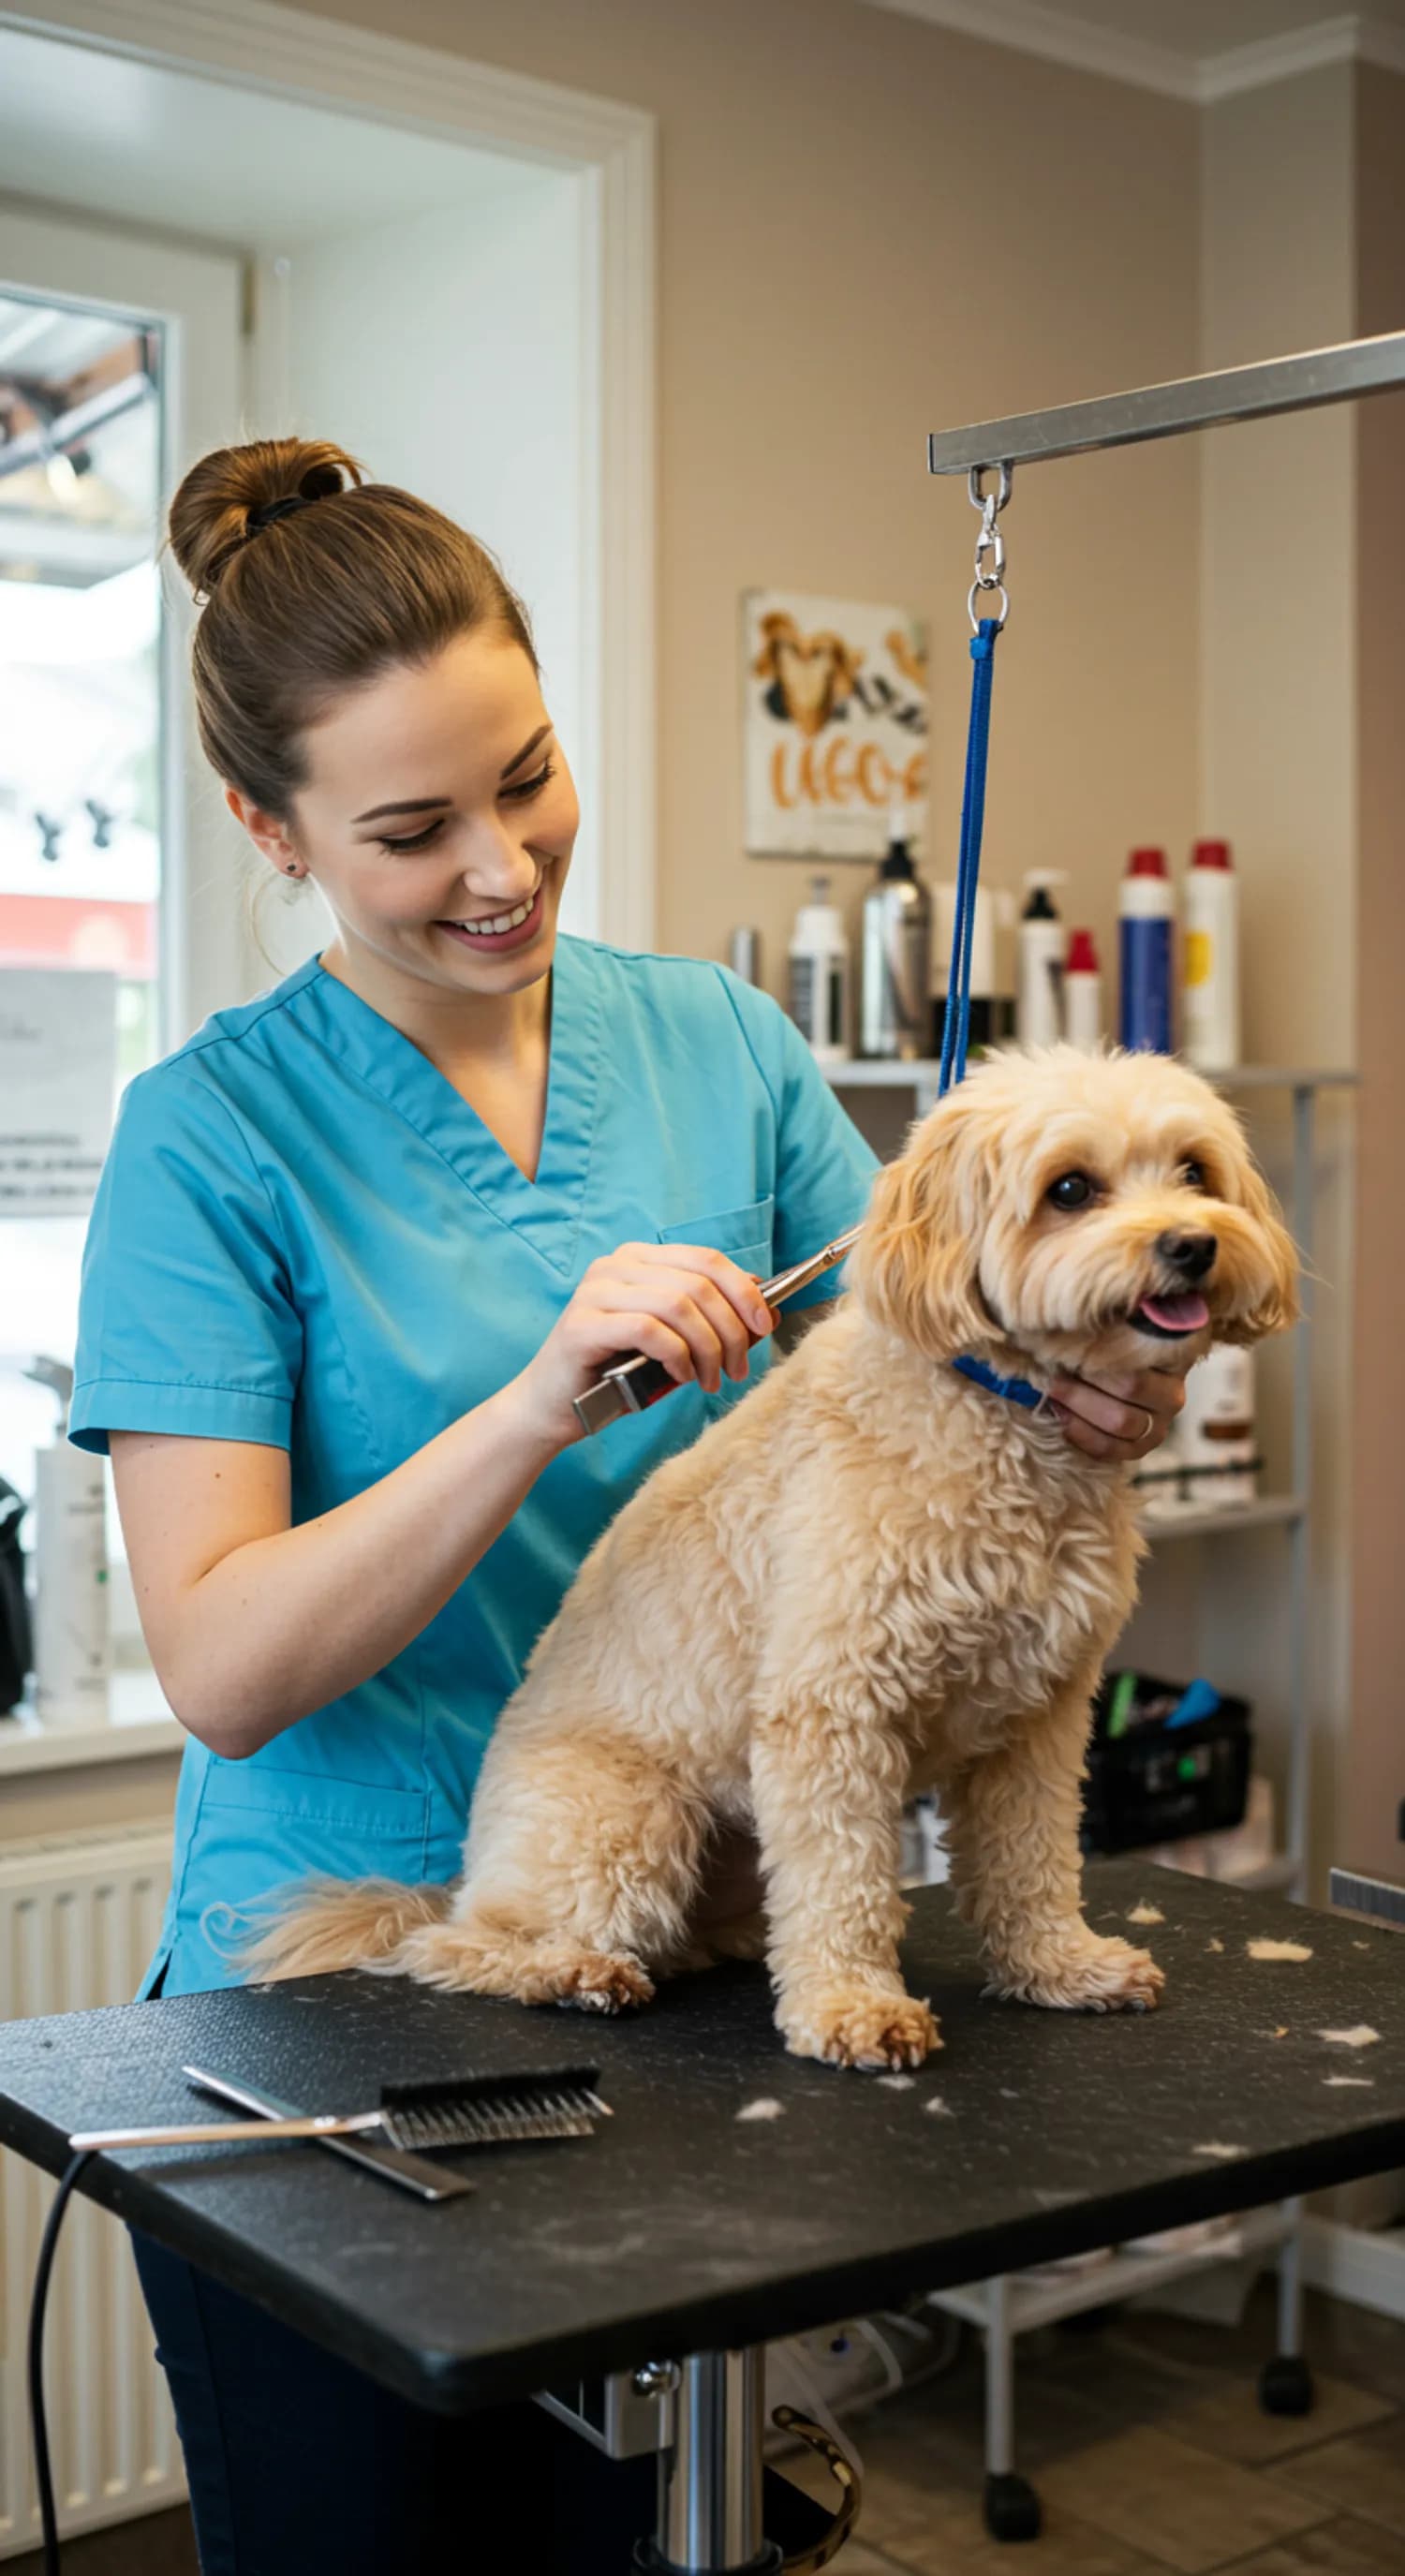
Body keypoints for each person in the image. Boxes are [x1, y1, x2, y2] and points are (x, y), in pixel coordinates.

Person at [71, 437, 1183, 2572]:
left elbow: (941, 1338)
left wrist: (1082, 1374)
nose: (502, 864)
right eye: (411, 829)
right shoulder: (206, 1141)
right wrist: (529, 1403)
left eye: (530, 775)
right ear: (265, 826)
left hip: (695, 1972)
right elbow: (218, 1664)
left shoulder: (722, 1046)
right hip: (339, 2009)